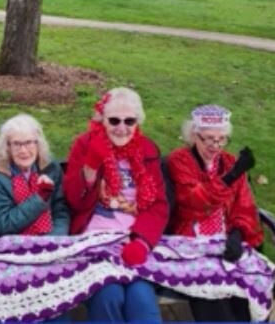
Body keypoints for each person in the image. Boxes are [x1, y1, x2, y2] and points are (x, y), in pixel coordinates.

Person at [63, 87, 169, 322]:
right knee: (109, 296)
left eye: (129, 121)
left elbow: (158, 205)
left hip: (134, 239)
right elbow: (75, 202)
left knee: (141, 299)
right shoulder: (85, 144)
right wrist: (90, 167)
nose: (122, 128)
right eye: (114, 120)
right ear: (103, 120)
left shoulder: (147, 150)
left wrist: (141, 242)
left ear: (137, 122)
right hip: (95, 240)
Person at [167, 104, 263, 322]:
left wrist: (238, 233)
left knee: (247, 293)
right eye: (208, 138)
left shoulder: (229, 162)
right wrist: (231, 176)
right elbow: (194, 202)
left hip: (225, 240)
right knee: (214, 297)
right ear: (193, 136)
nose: (215, 145)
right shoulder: (180, 160)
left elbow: (244, 205)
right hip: (191, 243)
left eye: (221, 139)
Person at [0, 113, 70, 237]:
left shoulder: (51, 168)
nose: (23, 150)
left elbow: (60, 212)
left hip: (50, 239)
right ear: (7, 147)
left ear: (38, 144)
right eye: (17, 144)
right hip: (9, 244)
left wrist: (55, 240)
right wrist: (40, 198)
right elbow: (2, 224)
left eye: (28, 143)